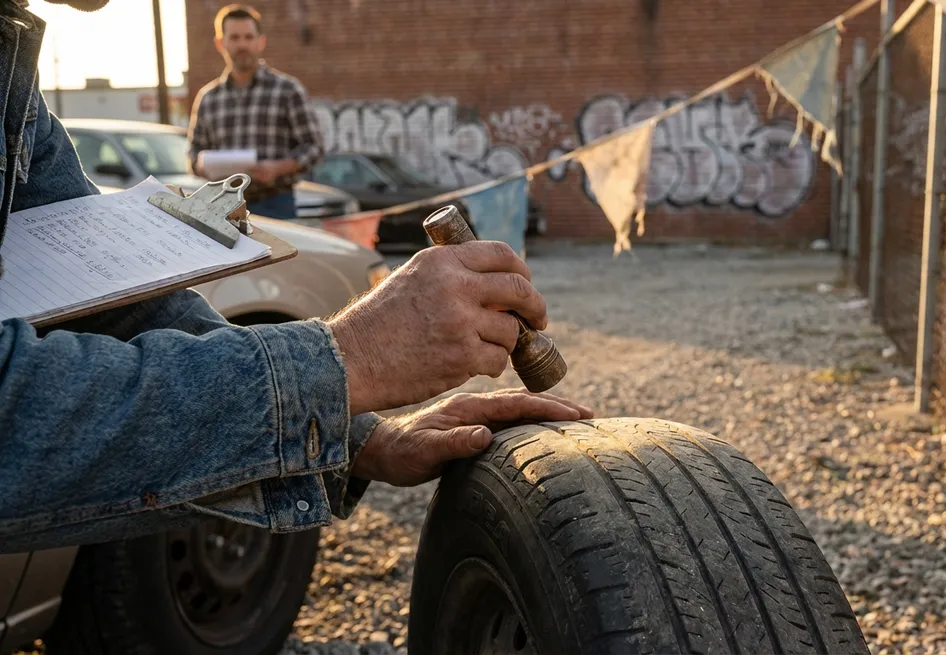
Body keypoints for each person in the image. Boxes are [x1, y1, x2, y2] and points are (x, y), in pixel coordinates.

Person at [0, 0, 590, 553]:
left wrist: (361, 431)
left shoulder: (12, 70)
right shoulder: (207, 96)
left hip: (275, 206)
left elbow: (113, 301)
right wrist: (353, 356)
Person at [187, 4, 322, 219]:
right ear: (220, 43)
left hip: (276, 204)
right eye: (235, 38)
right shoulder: (208, 98)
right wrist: (203, 166)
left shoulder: (288, 91)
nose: (242, 45)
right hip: (223, 208)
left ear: (261, 41)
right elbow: (193, 154)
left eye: (249, 37)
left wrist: (277, 168)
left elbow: (315, 147)